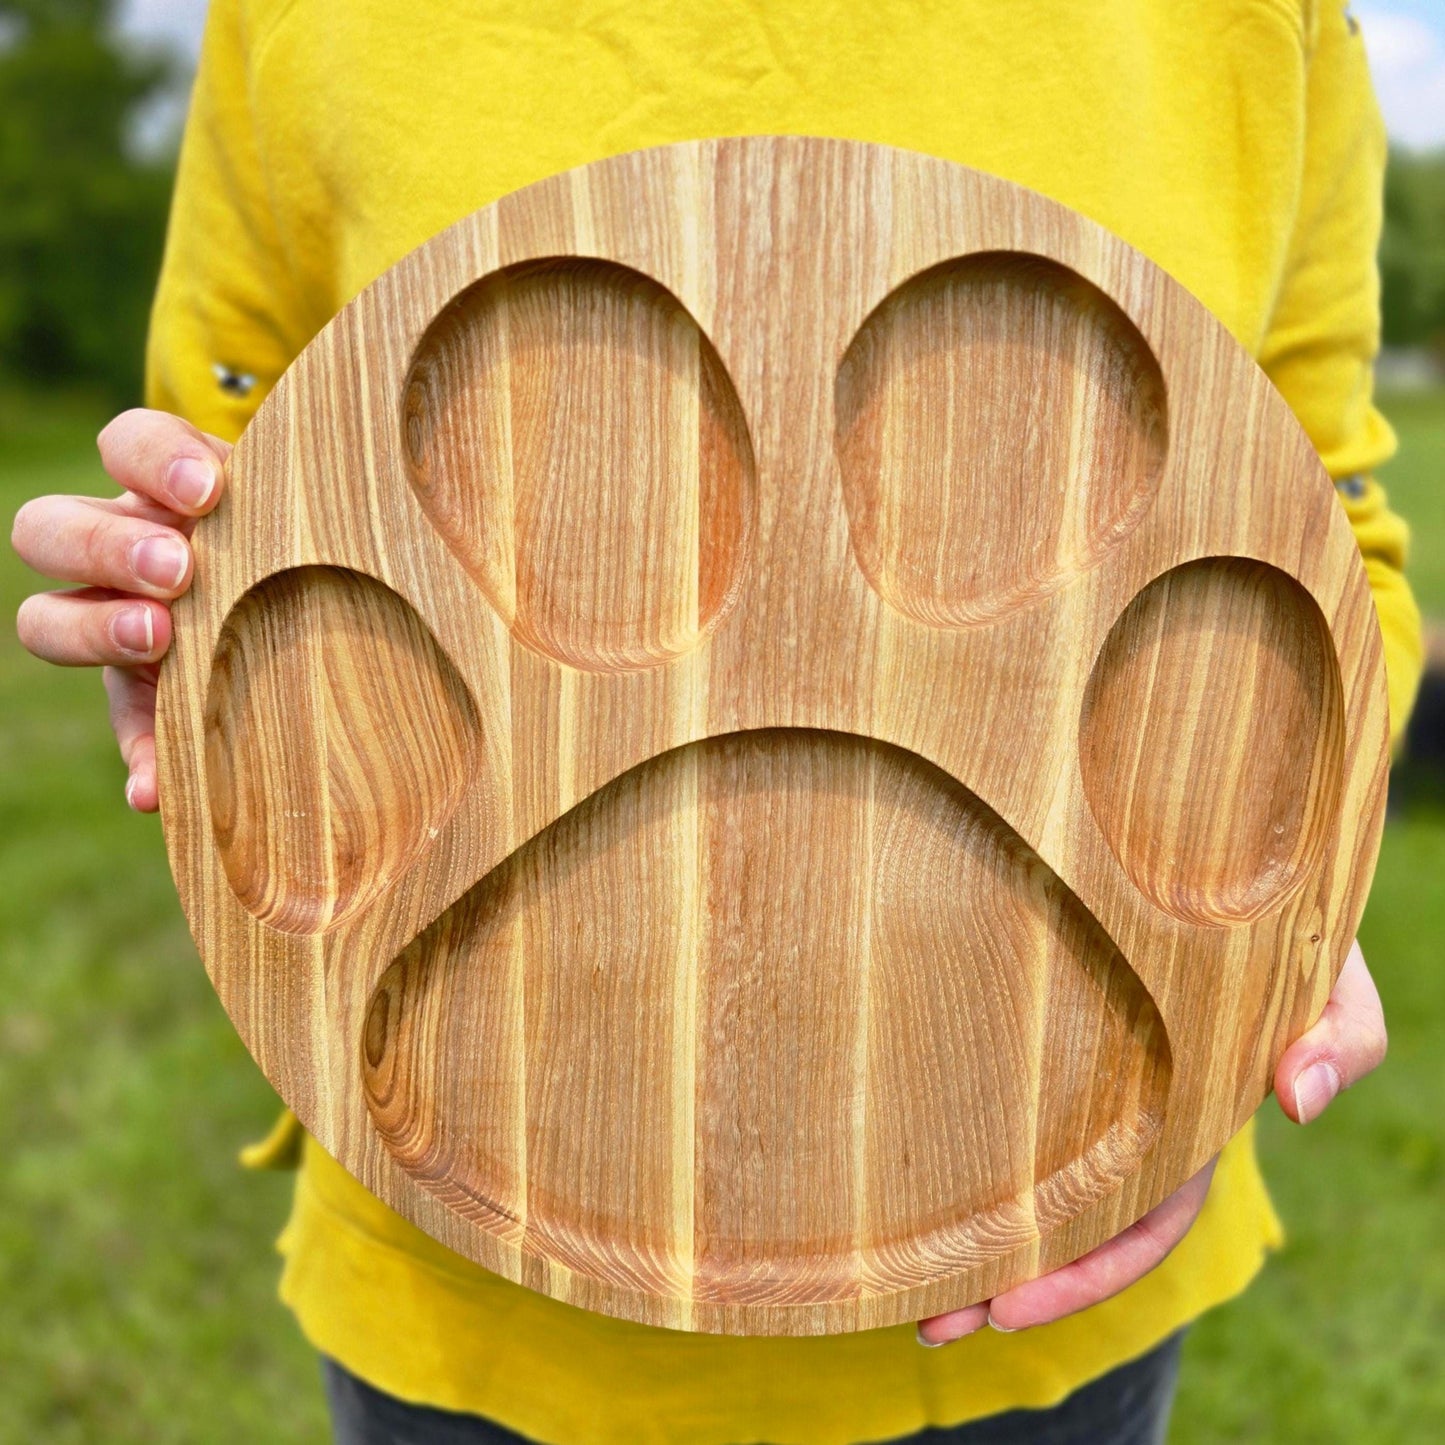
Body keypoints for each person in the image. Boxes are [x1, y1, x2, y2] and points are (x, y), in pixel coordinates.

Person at [10, 2, 1418, 1441]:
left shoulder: (1257, 21)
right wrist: (178, 617)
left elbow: (1322, 527)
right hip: (471, 1277)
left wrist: (1280, 899)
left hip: (1054, 1251)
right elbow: (235, 466)